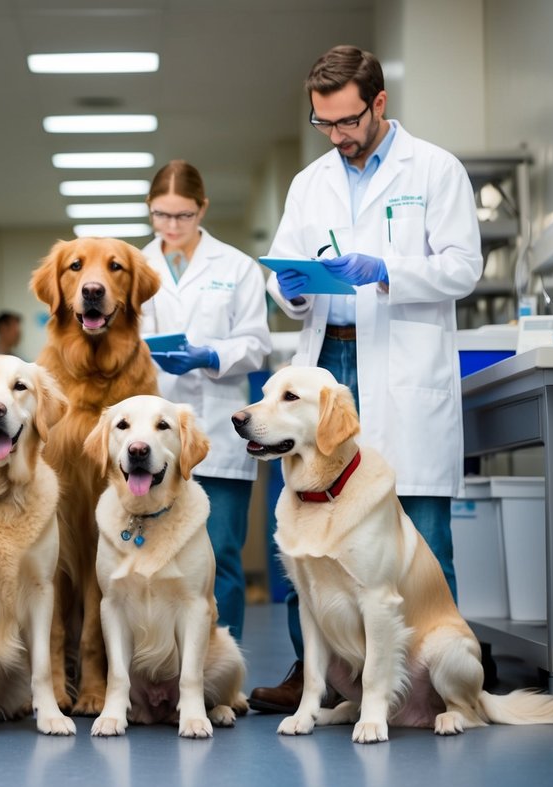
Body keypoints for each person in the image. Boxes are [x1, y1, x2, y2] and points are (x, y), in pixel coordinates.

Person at [252, 45, 481, 712]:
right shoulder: (308, 182)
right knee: (308, 530)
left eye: (347, 121)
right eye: (323, 123)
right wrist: (288, 288)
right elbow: (285, 276)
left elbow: (462, 267)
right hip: (328, 365)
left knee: (422, 536)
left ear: (379, 103)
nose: (337, 136)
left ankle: (433, 690)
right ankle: (317, 676)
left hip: (402, 367)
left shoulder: (434, 170)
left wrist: (383, 269)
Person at [138, 160, 272, 642]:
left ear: (203, 209)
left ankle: (221, 671)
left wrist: (209, 355)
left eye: (184, 216)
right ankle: (163, 667)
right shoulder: (135, 265)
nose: (172, 227)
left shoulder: (236, 267)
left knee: (220, 557)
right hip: (151, 436)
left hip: (217, 429)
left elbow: (258, 342)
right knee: (154, 561)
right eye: (161, 215)